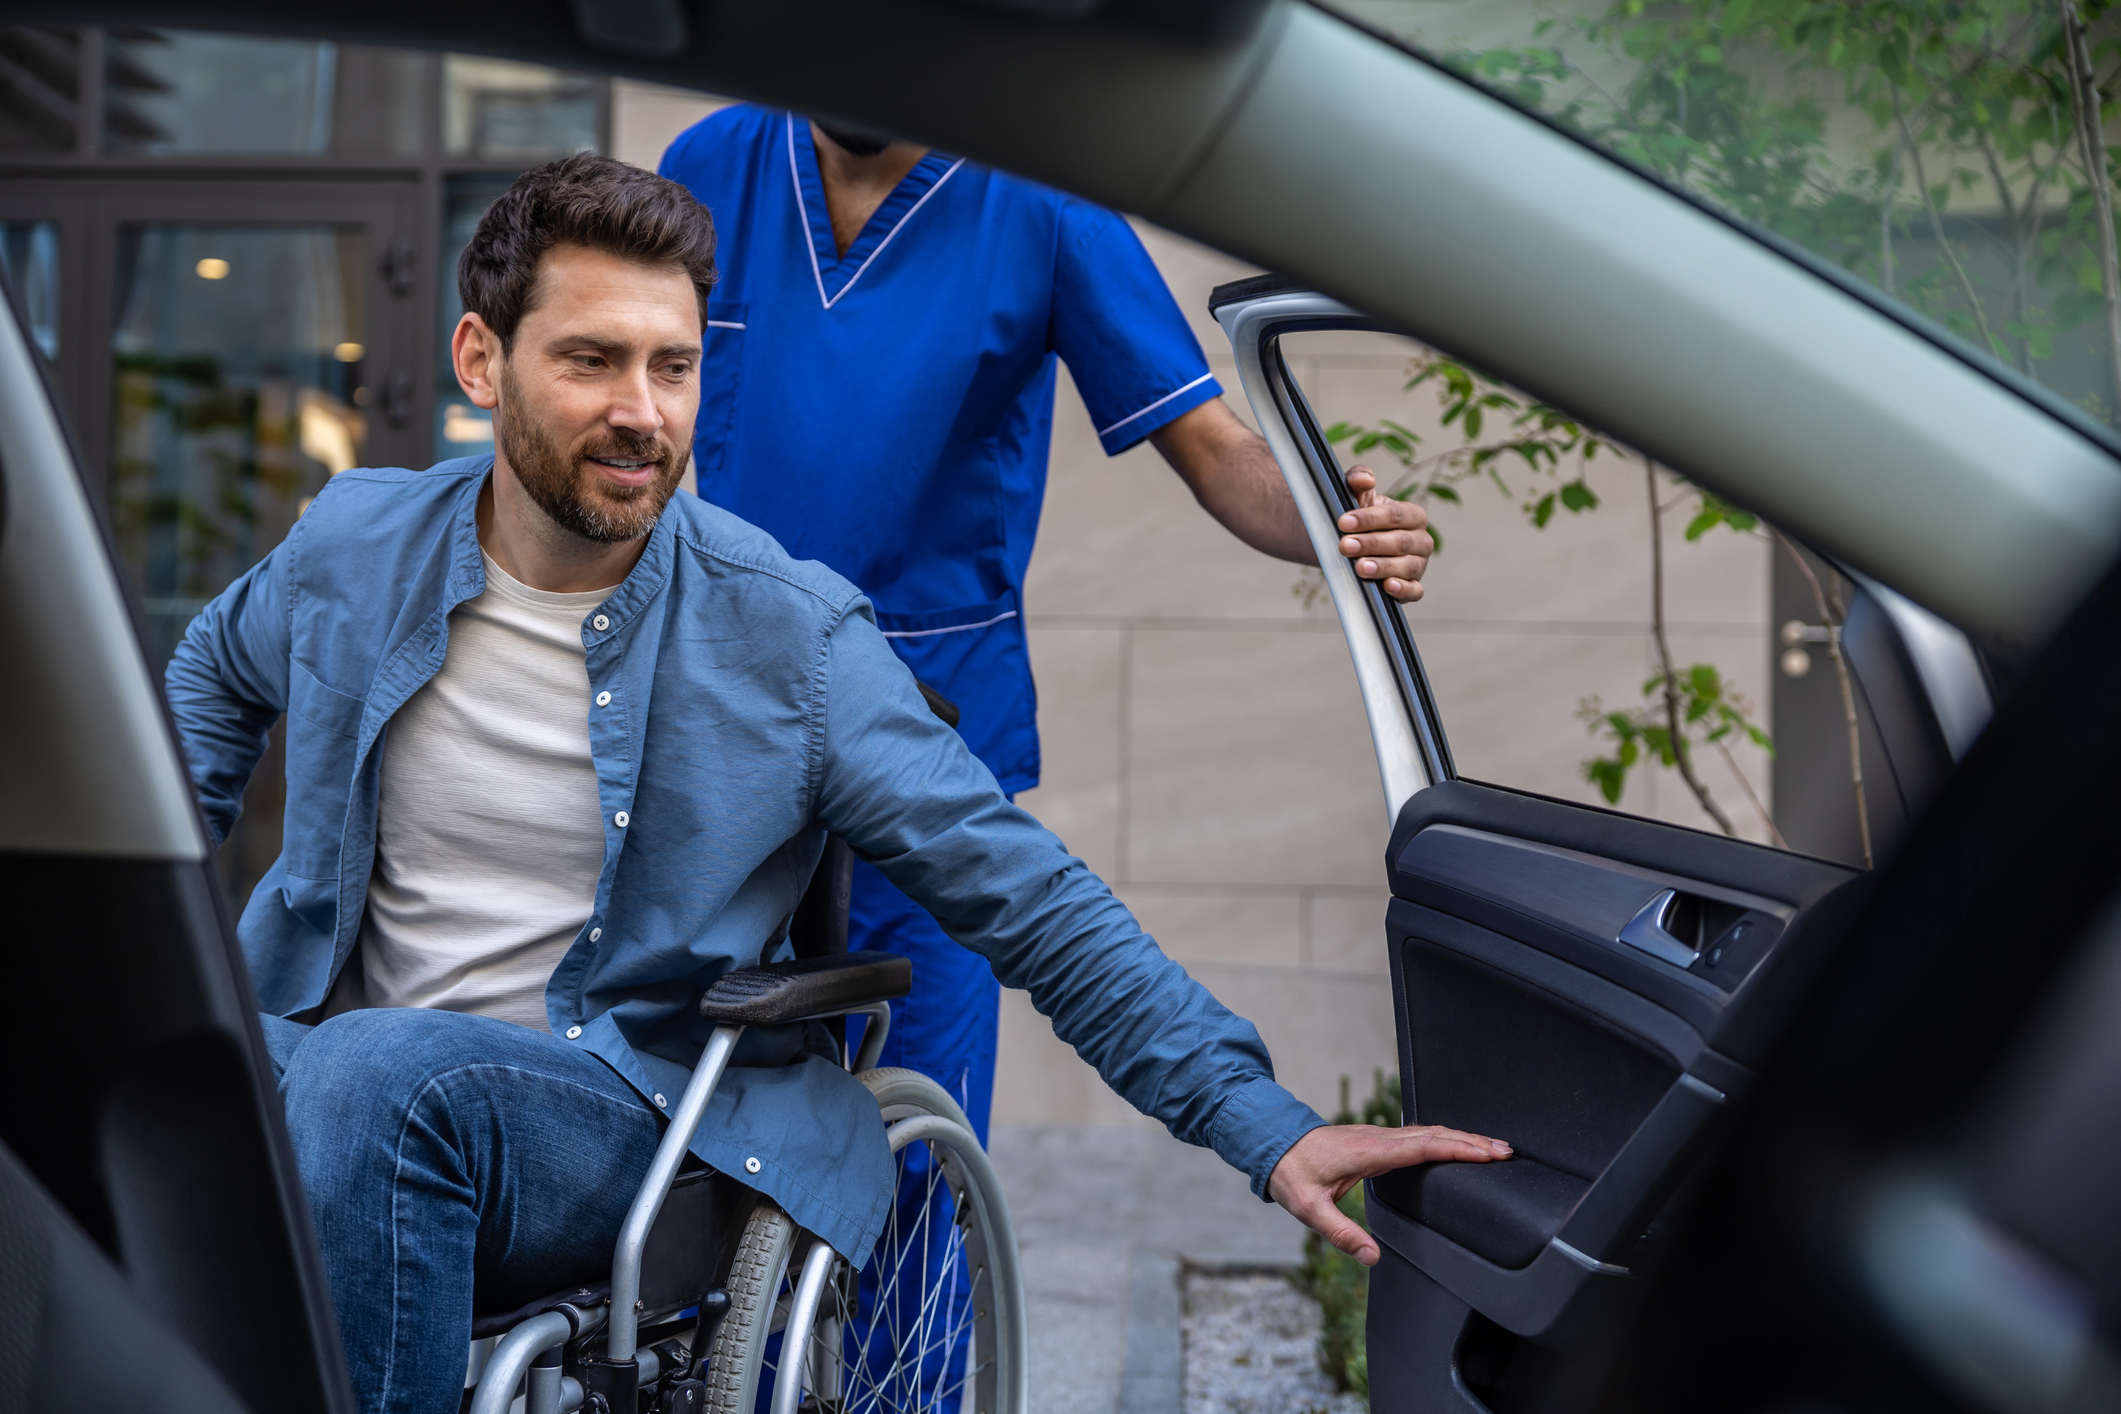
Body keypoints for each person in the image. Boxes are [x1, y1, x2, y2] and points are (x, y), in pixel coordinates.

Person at [166, 155, 1503, 1414]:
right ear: (480, 359)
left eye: (674, 365)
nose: (643, 410)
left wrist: (1262, 1125)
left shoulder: (788, 638)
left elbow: (1026, 894)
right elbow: (211, 673)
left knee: (372, 1081)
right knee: (146, 1064)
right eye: (591, 360)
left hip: (610, 1113)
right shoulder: (356, 542)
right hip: (329, 1064)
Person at [657, 107, 1435, 1147]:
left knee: (914, 1110)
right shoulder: (709, 163)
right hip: (726, 708)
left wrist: (1339, 527)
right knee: (701, 1091)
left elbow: (1211, 447)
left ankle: (916, 1268)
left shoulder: (1045, 201)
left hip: (928, 729)